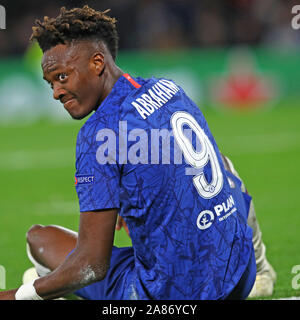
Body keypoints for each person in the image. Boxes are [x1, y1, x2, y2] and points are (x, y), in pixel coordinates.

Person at [0, 5, 275, 300]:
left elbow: (91, 266)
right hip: (237, 278)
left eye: (62, 77)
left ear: (97, 63)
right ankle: (262, 272)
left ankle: (46, 283)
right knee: (224, 166)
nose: (55, 92)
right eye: (50, 83)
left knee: (39, 239)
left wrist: (17, 296)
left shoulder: (98, 133)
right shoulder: (169, 89)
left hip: (171, 297)